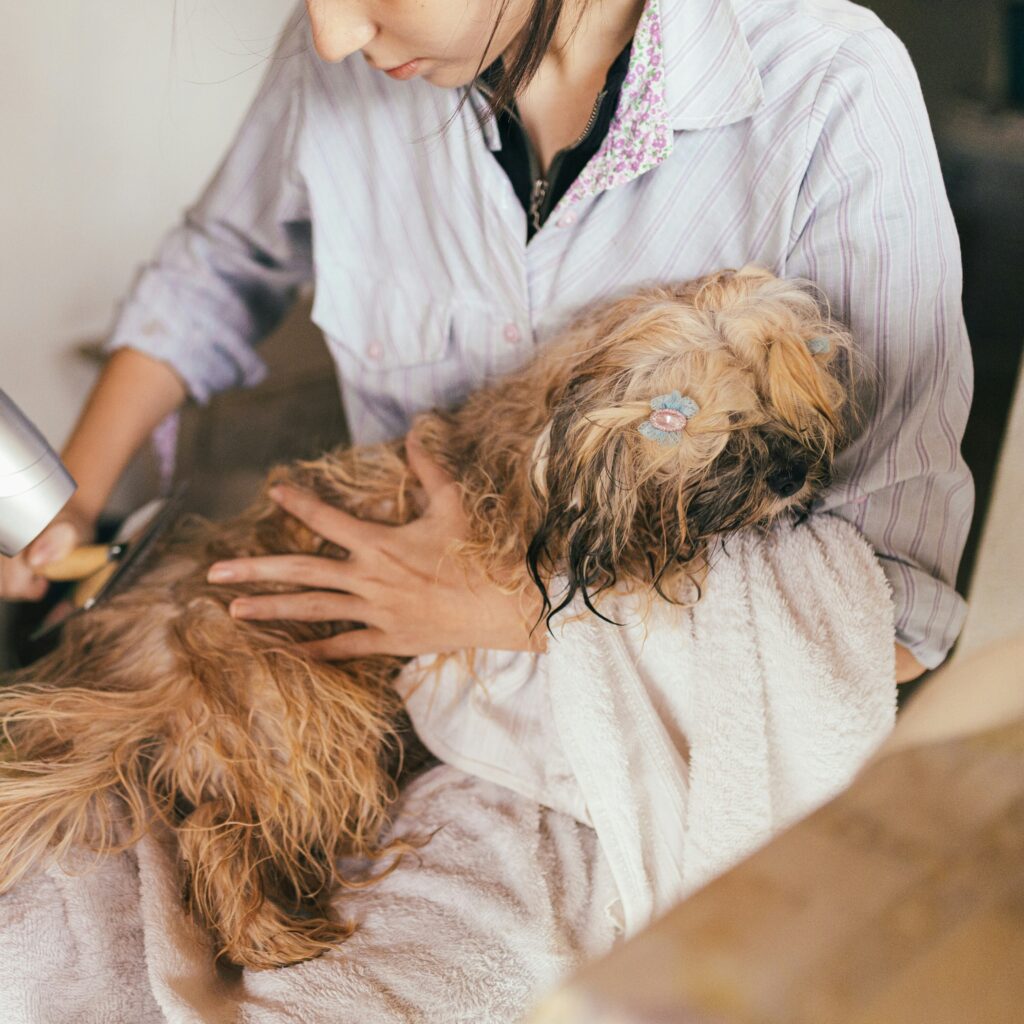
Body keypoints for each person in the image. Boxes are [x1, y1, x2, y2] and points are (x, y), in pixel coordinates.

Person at [0, 0, 972, 683]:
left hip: (668, 760)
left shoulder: (826, 88)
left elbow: (892, 623)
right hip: (393, 697)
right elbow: (217, 266)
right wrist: (68, 506)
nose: (333, 36)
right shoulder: (336, 66)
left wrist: (506, 614)